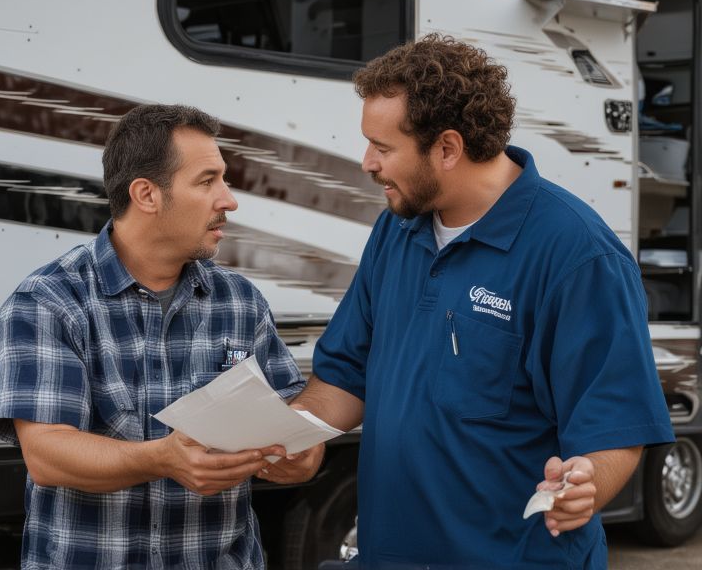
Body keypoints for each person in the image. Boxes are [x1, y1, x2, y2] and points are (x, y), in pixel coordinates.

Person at [283, 34, 675, 568]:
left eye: (383, 147)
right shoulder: (396, 231)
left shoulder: (577, 256)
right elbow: (347, 375)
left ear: (447, 148)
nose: (367, 162)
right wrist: (293, 434)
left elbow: (615, 430)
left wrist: (586, 485)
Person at [0, 104, 323, 569]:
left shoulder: (241, 302)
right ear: (146, 194)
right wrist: (163, 458)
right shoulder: (49, 301)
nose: (229, 200)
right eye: (207, 182)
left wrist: (301, 454)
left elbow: (295, 415)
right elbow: (47, 454)